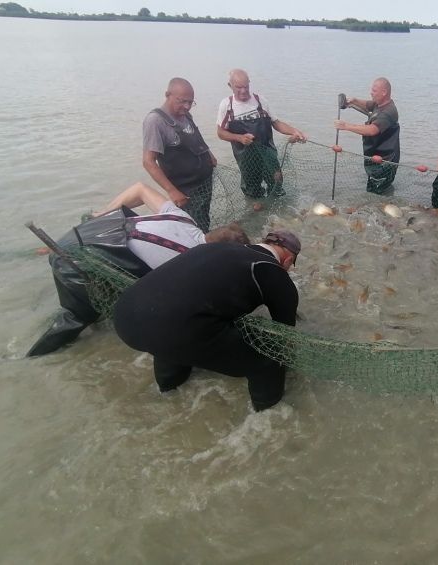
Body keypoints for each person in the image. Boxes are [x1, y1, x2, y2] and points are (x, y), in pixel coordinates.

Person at [26, 182, 249, 357]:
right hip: (72, 261)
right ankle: (31, 358)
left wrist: (103, 212)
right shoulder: (189, 263)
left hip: (78, 234)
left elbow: (140, 189)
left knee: (93, 299)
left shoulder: (184, 219)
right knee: (79, 316)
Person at [113, 230, 301, 411]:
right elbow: (284, 333)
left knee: (172, 327)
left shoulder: (213, 248)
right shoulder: (273, 272)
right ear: (288, 260)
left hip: (126, 317)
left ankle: (167, 392)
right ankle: (268, 416)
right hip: (176, 331)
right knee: (269, 360)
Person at [216, 69, 307, 199]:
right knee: (252, 192)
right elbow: (220, 133)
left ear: (249, 83)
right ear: (230, 86)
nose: (243, 91)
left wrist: (294, 131)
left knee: (276, 182)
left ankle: (277, 210)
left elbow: (276, 123)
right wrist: (240, 138)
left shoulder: (260, 100)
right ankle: (256, 213)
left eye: (246, 87)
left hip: (268, 153)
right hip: (246, 158)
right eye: (238, 87)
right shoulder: (227, 105)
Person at [143, 77, 217, 231]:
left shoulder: (185, 114)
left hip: (203, 184)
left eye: (191, 102)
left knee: (203, 221)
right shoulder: (155, 121)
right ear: (167, 94)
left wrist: (208, 153)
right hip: (185, 191)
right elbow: (148, 162)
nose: (187, 106)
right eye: (182, 101)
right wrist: (172, 191)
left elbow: (196, 137)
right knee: (190, 229)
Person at [335, 77, 400, 194]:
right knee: (375, 189)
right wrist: (354, 101)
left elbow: (372, 130)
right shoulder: (379, 104)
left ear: (384, 92)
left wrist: (346, 126)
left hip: (385, 162)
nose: (371, 92)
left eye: (374, 91)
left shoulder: (389, 111)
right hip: (375, 157)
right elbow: (368, 105)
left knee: (376, 193)